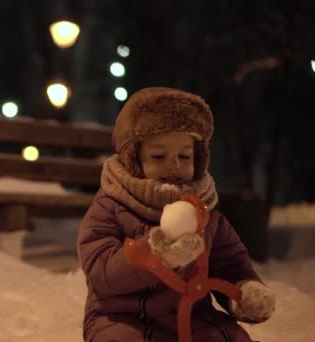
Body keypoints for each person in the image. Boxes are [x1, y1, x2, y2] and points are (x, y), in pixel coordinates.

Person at [77, 87, 275, 341]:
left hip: (193, 316)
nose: (174, 165)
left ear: (199, 158)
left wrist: (244, 291)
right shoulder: (111, 205)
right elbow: (101, 269)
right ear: (134, 158)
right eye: (159, 156)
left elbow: (230, 263)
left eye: (184, 155)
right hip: (123, 318)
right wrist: (156, 254)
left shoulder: (206, 213)